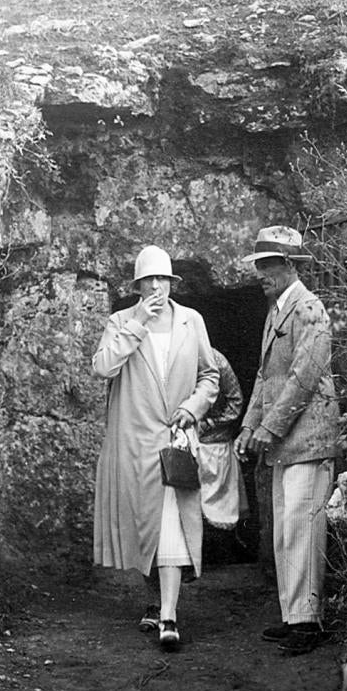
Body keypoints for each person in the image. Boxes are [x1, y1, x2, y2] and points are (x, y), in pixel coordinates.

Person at [92, 245, 219, 651]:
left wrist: (193, 407)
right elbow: (103, 367)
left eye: (163, 279)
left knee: (171, 528)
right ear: (138, 286)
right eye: (149, 281)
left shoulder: (191, 321)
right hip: (136, 443)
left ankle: (168, 616)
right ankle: (154, 602)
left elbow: (210, 377)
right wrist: (137, 325)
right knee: (145, 525)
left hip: (177, 438)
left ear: (172, 283)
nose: (157, 287)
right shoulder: (121, 320)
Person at [235, 225, 341, 655]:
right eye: (259, 264)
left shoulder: (309, 309)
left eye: (270, 264)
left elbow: (303, 378)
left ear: (291, 265)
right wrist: (248, 426)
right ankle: (295, 616)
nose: (262, 272)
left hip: (310, 438)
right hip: (285, 444)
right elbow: (265, 377)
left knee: (303, 528)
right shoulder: (277, 311)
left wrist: (267, 428)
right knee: (286, 531)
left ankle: (309, 623)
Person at [196, 347, 246, 532]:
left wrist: (209, 423)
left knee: (219, 515)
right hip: (184, 445)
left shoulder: (217, 361)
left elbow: (235, 401)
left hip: (215, 446)